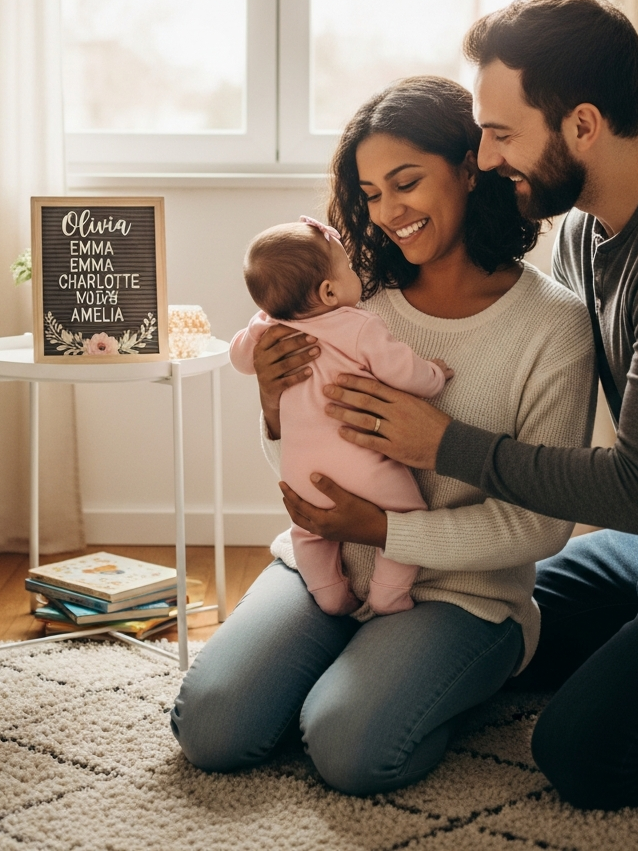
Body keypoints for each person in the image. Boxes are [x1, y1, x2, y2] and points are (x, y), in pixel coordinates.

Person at [318, 0, 638, 810]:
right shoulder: (583, 227)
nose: (489, 157)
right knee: (501, 641)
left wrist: (443, 444)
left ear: (581, 125)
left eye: (502, 135)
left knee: (586, 753)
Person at [171, 76, 596, 796]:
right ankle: (364, 662)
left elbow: (543, 521)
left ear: (469, 168)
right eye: (370, 194)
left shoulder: (552, 327)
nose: (388, 212)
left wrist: (386, 528)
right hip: (326, 564)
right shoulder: (345, 298)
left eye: (406, 183)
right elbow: (304, 456)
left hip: (460, 593)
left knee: (348, 748)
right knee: (213, 728)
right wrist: (273, 405)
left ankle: (442, 677)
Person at [230, 215, 451, 617]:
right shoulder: (359, 325)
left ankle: (329, 594)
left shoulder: (268, 329)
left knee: (309, 532)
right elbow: (403, 371)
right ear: (329, 291)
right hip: (361, 463)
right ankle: (388, 593)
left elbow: (240, 358)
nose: (356, 274)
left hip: (300, 471)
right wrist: (435, 375)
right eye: (348, 267)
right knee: (408, 519)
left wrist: (257, 326)